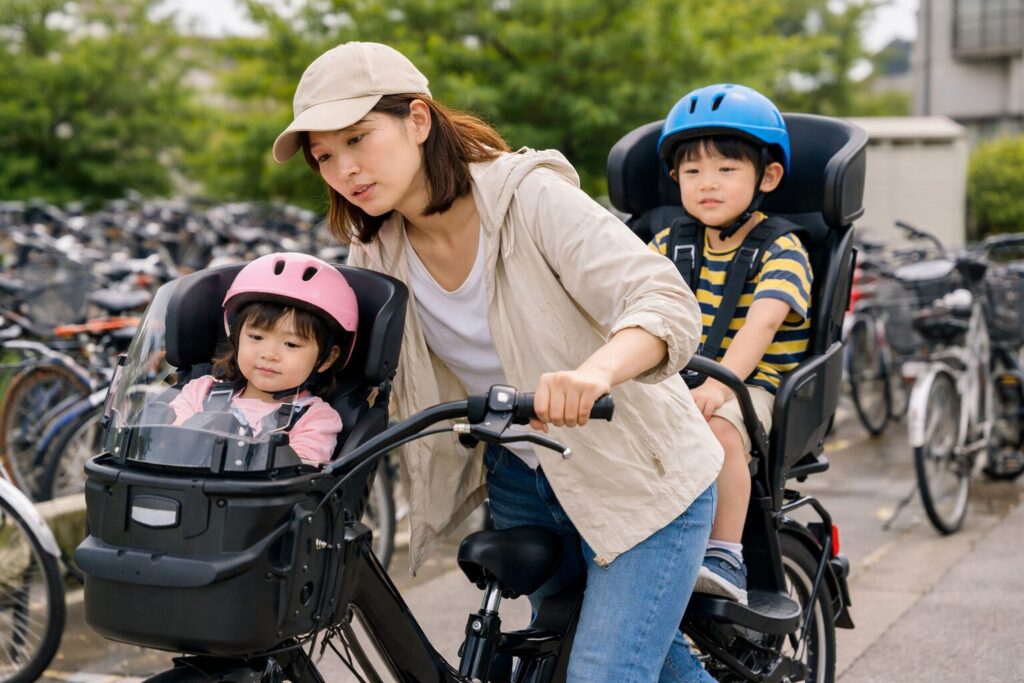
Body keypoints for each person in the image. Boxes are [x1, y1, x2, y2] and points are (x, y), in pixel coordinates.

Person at [273, 41, 723, 682]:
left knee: (602, 673)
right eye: (324, 156)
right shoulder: (377, 245)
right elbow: (352, 363)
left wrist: (594, 374)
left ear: (419, 121)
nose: (345, 168)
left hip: (637, 473)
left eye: (358, 138)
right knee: (620, 658)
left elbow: (662, 299)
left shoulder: (529, 198)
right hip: (523, 480)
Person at [649, 84, 814, 605]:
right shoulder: (667, 243)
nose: (708, 184)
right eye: (692, 171)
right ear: (675, 178)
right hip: (677, 380)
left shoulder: (783, 249)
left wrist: (720, 390)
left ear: (767, 176)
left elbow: (759, 329)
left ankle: (724, 554)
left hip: (754, 387)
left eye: (726, 169)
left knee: (720, 429)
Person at [170, 252, 358, 465]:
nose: (269, 354)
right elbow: (165, 446)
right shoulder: (201, 392)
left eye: (291, 344)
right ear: (236, 336)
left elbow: (297, 482)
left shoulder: (315, 419)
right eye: (256, 337)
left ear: (327, 358)